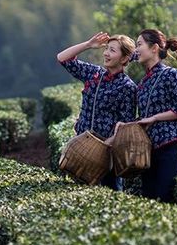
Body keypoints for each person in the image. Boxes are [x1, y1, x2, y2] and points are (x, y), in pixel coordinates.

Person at [56, 32, 137, 190]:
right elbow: (62, 58)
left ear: (124, 58)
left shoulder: (128, 87)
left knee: (109, 195)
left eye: (112, 50)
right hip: (81, 149)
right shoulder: (94, 74)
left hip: (106, 156)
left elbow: (126, 125)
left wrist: (104, 146)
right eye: (106, 48)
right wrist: (88, 44)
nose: (106, 53)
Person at [119, 28, 177, 203]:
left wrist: (154, 118)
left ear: (154, 48)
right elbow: (145, 116)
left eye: (139, 44)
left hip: (171, 146)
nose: (136, 49)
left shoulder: (172, 75)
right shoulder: (143, 83)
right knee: (149, 201)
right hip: (149, 149)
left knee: (165, 199)